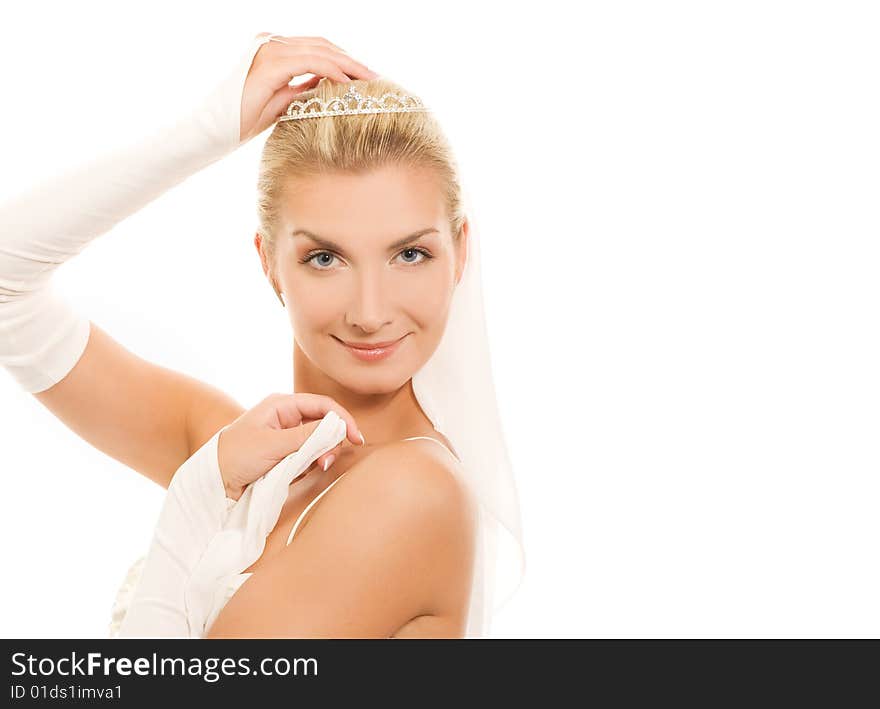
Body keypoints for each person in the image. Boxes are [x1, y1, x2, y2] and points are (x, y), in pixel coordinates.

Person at [0, 32, 525, 638]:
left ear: (460, 252)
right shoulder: (243, 455)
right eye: (325, 258)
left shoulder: (412, 494)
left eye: (410, 253)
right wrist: (207, 130)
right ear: (268, 261)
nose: (371, 312)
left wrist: (197, 493)